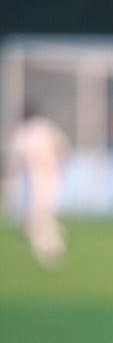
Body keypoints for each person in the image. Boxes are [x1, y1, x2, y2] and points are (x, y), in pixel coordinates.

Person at [4, 107, 69, 267]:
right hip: (51, 174)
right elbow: (63, 147)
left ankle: (49, 246)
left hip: (34, 177)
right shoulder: (47, 127)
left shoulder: (24, 131)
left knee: (36, 214)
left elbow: (17, 156)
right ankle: (52, 242)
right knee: (43, 213)